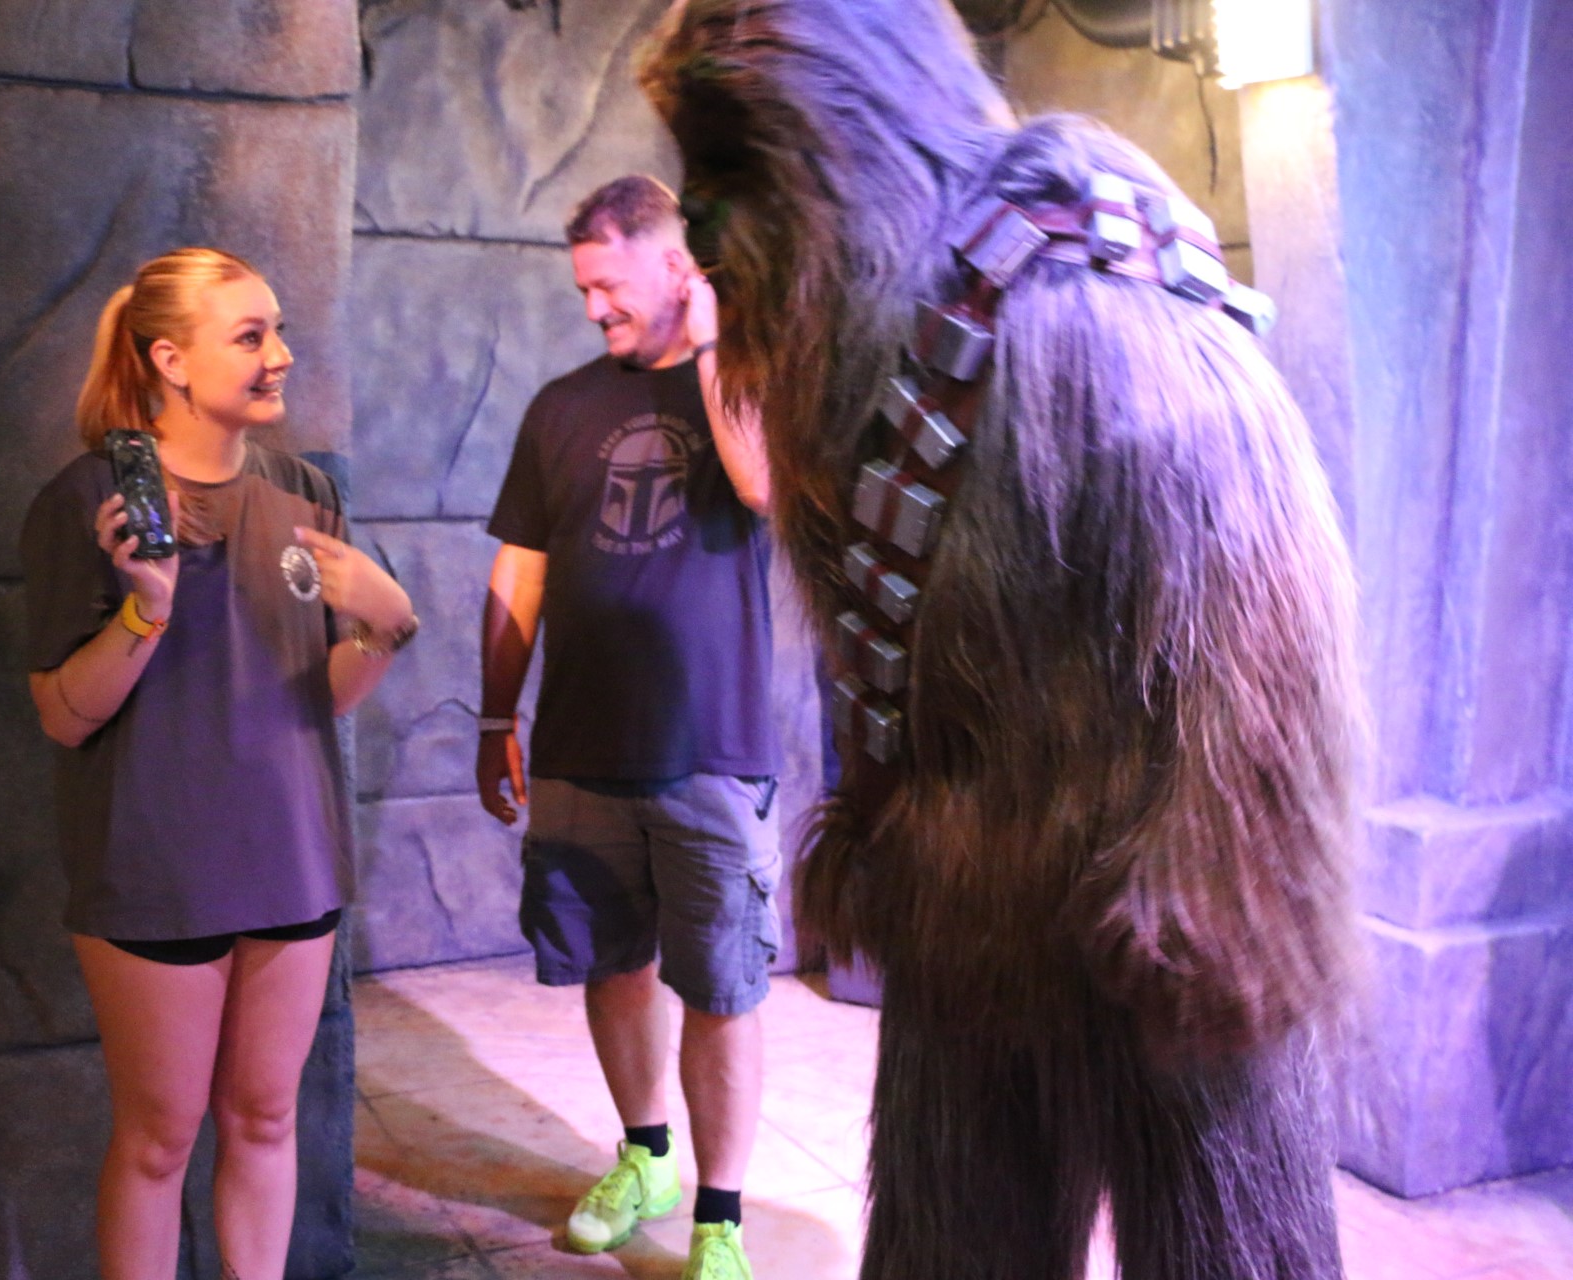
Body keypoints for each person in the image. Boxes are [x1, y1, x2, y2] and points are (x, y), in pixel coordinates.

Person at [642, 5, 1364, 1280]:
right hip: (964, 915)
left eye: (727, 167)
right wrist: (878, 835)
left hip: (1164, 922)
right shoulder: (885, 349)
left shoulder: (1091, 294)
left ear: (834, 139)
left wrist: (1217, 902)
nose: (697, 226)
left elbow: (1264, 606)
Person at [19, 247, 417, 1280]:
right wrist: (145, 609)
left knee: (267, 1118)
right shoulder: (91, 500)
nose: (280, 354)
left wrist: (384, 628)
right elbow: (63, 715)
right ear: (170, 359)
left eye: (278, 330)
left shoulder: (304, 492)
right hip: (155, 872)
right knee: (158, 1141)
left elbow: (316, 698)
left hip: (291, 861)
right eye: (250, 336)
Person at [476, 175, 779, 1280]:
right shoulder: (560, 407)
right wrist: (496, 714)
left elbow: (762, 487)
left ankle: (720, 1217)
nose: (594, 307)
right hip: (581, 744)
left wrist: (714, 340)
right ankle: (645, 1154)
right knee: (612, 962)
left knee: (721, 986)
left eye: (609, 285)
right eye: (583, 290)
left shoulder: (743, 386)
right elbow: (518, 572)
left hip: (712, 747)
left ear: (676, 266)